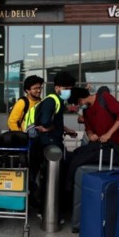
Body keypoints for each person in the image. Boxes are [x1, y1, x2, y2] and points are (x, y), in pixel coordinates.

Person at [34, 72, 76, 218]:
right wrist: (52, 128)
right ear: (57, 87)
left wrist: (66, 130)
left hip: (51, 142)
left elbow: (55, 121)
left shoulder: (57, 100)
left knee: (51, 177)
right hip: (50, 144)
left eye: (69, 88)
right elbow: (46, 122)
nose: (67, 91)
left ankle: (47, 210)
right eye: (65, 87)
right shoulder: (52, 100)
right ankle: (45, 211)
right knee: (50, 177)